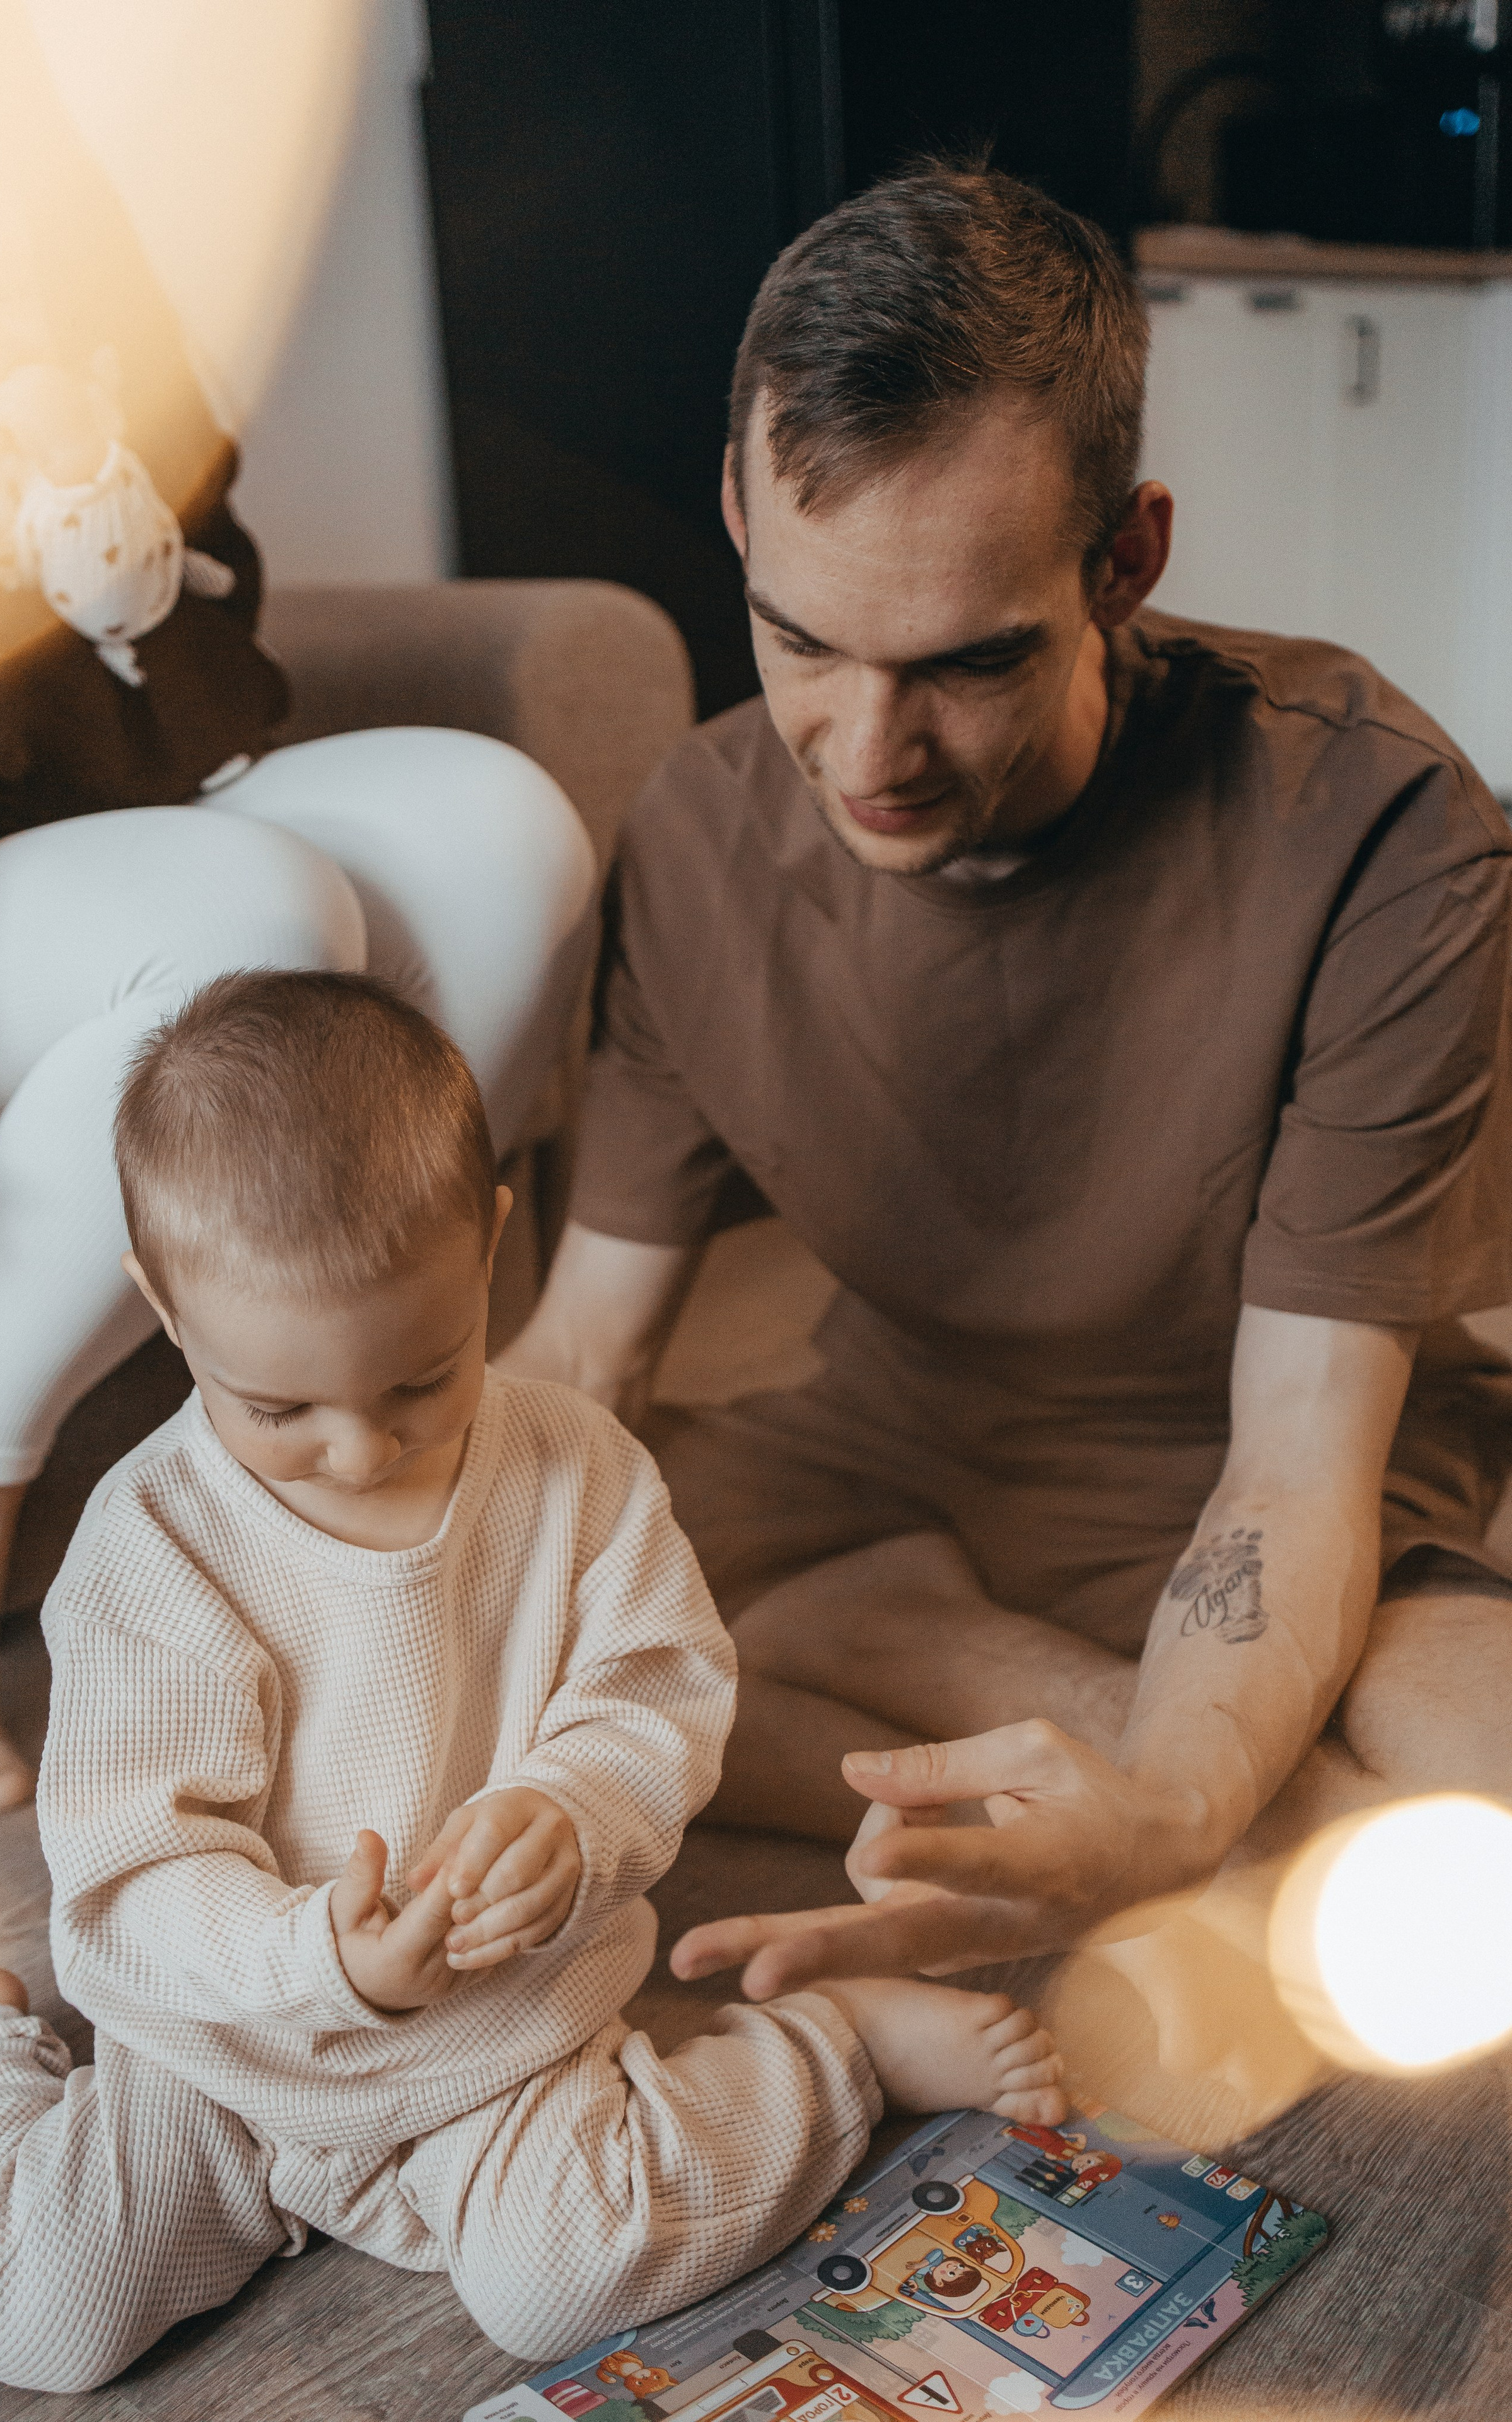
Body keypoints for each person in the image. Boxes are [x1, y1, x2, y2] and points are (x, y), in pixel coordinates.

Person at [498, 161, 1512, 1994]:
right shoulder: (703, 826)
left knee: (1483, 1797)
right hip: (880, 1448)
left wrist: (1181, 1802)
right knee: (548, 1628)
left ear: (1125, 561)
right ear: (736, 512)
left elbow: (1297, 1465)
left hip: (1253, 1451)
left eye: (965, 663)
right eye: (802, 639)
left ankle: (1068, 1746)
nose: (866, 751)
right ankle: (1048, 1721)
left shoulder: (1384, 825)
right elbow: (581, 1362)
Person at [0, 972, 1064, 2392]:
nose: (359, 1450)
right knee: (32, 2316)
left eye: (419, 1379)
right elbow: (139, 1871)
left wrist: (571, 1808)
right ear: (164, 1305)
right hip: (223, 2056)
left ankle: (837, 2042)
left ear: (491, 1244)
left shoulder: (575, 1468)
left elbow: (662, 1688)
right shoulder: (154, 1551)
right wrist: (320, 1957)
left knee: (565, 2274)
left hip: (499, 2042)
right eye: (278, 1410)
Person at [0, 0, 600, 1828]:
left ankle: (339, 1457)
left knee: (502, 832)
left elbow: (208, 566)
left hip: (73, 798)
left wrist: (81, 527)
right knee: (254, 927)